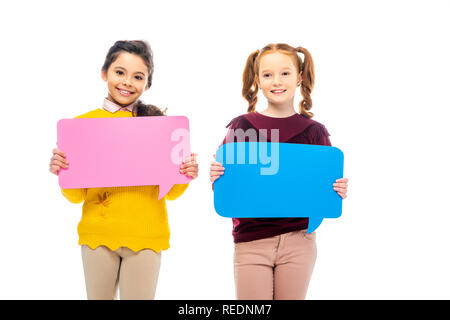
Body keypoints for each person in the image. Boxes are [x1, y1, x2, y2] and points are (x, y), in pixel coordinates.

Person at [49, 40, 198, 300]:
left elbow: (171, 193)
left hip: (146, 236)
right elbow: (76, 197)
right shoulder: (81, 126)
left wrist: (184, 173)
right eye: (120, 72)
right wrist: (64, 171)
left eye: (138, 76)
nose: (127, 82)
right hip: (98, 236)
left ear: (147, 83)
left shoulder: (158, 125)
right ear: (104, 73)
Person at [209, 43, 348, 300]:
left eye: (285, 73)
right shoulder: (242, 127)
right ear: (258, 81)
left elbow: (324, 186)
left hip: (299, 241)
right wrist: (217, 175)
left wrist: (336, 189)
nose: (276, 81)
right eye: (267, 74)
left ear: (299, 78)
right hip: (251, 241)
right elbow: (229, 185)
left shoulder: (315, 132)